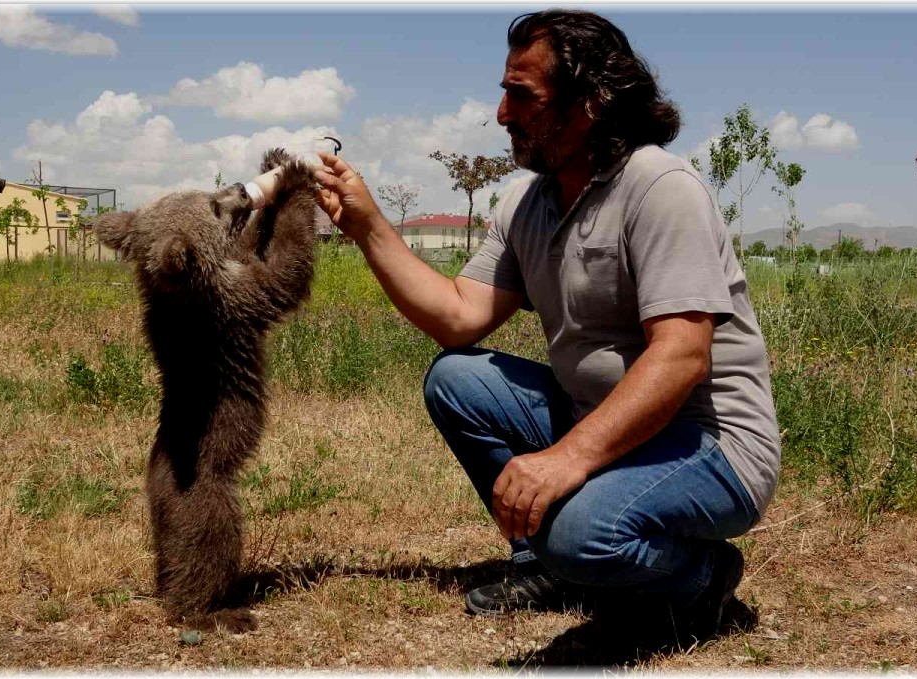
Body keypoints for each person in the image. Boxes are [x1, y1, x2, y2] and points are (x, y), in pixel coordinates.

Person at [313, 8, 780, 640]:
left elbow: (681, 358)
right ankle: (547, 565)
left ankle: (702, 577)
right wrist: (366, 224)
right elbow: (458, 318)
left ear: (591, 101)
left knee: (582, 534)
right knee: (458, 379)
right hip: (606, 421)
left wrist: (566, 460)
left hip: (709, 445)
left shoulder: (659, 188)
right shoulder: (526, 201)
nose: (502, 114)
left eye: (521, 95)